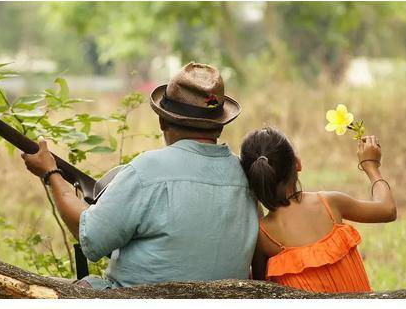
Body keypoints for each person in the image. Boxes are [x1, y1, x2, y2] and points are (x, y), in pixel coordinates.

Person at [21, 62, 258, 289]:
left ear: (162, 120)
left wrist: (51, 173)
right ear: (219, 124)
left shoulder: (148, 170)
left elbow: (91, 237)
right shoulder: (245, 176)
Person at [241, 127, 396, 293]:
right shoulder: (329, 204)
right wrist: (371, 166)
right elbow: (387, 210)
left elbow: (259, 289)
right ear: (297, 164)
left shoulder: (263, 236)